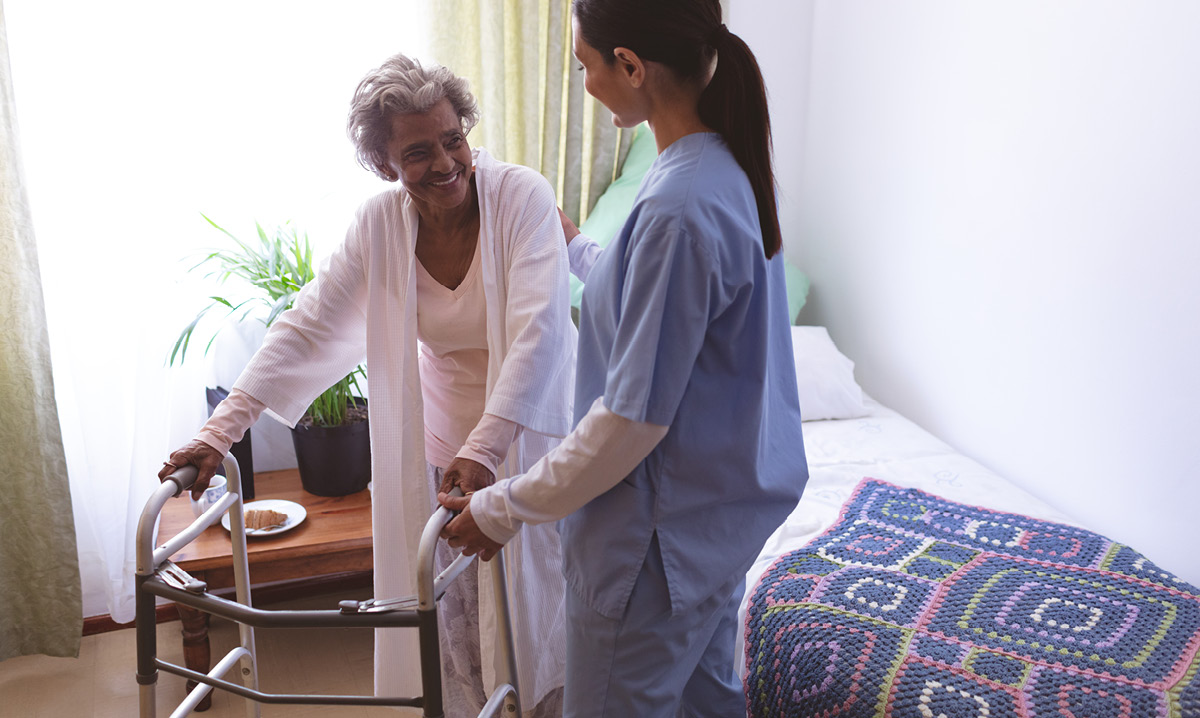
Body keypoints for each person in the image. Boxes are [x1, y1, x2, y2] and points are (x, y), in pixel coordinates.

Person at [159, 53, 574, 717]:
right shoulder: (378, 225)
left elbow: (539, 336)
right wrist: (219, 430)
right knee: (452, 613)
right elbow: (306, 325)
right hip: (442, 450)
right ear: (384, 164)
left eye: (452, 140)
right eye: (417, 152)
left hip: (531, 439)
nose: (444, 164)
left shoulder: (521, 195)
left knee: (537, 612)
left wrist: (487, 449)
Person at [439, 1, 810, 715]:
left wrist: (503, 507)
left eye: (585, 65)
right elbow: (657, 300)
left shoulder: (677, 206)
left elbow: (629, 423)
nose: (585, 82)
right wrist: (574, 244)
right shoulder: (718, 171)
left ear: (632, 66)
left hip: (651, 551)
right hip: (709, 537)